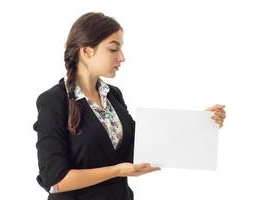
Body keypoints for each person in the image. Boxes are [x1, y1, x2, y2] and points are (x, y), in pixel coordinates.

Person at [32, 12, 226, 200]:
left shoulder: (113, 95)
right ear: (86, 51)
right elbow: (55, 179)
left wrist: (200, 124)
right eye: (113, 49)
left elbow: (139, 148)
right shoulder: (53, 101)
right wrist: (118, 170)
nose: (122, 57)